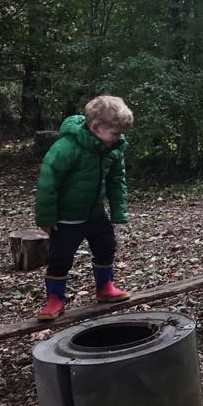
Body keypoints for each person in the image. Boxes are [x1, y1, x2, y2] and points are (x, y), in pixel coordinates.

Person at [34, 95, 134, 321]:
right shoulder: (67, 147)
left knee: (106, 246)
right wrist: (46, 217)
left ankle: (105, 286)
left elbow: (117, 179)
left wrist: (119, 211)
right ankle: (55, 299)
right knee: (60, 258)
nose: (119, 138)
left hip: (95, 213)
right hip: (67, 217)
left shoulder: (113, 148)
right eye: (115, 133)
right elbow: (48, 182)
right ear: (96, 127)